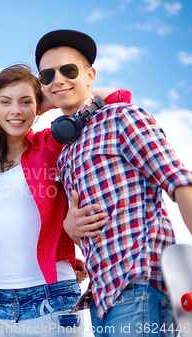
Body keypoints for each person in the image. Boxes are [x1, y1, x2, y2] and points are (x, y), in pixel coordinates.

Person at [35, 29, 192, 336]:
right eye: (47, 75)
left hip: (140, 285)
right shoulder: (67, 151)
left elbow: (181, 183)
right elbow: (97, 233)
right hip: (102, 298)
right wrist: (71, 230)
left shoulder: (121, 117)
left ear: (90, 75)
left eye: (69, 70)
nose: (58, 79)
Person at [0, 64, 132, 336]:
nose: (15, 110)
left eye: (25, 102)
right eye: (5, 102)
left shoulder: (51, 145)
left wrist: (51, 99)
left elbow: (118, 97)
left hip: (54, 297)